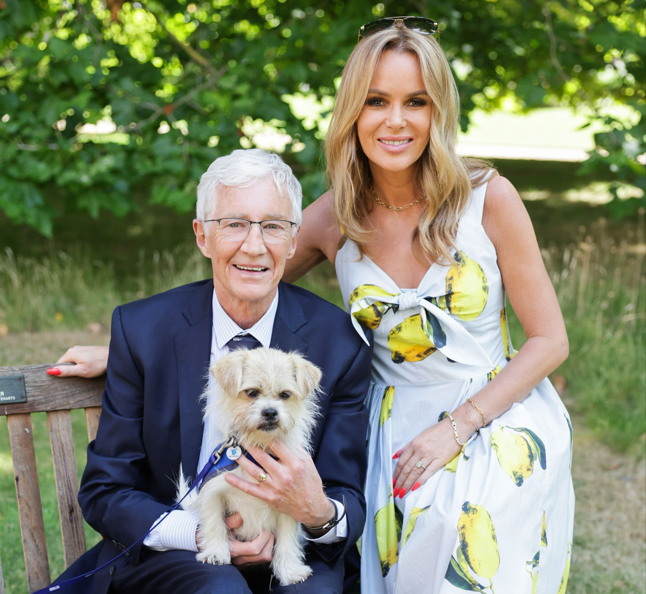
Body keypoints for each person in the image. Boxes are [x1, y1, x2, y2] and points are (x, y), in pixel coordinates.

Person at [53, 16, 575, 594]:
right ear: (353, 110)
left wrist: (457, 428)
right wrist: (130, 351)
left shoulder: (489, 198)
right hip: (392, 427)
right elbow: (246, 273)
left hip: (488, 417)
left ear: (439, 111)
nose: (395, 120)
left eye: (416, 102)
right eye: (376, 100)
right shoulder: (336, 214)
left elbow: (550, 340)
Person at [52, 148, 373, 594]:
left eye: (274, 226)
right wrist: (198, 533)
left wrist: (317, 512)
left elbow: (347, 494)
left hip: (292, 547)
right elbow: (107, 490)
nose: (255, 245)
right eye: (235, 224)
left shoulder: (338, 344)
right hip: (178, 555)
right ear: (203, 236)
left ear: (294, 240)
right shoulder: (143, 329)